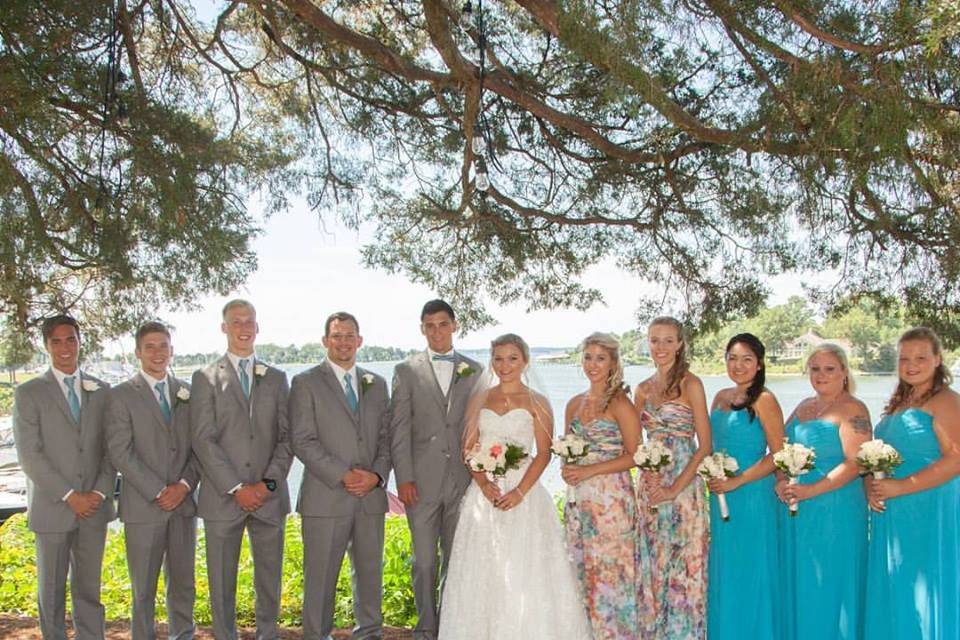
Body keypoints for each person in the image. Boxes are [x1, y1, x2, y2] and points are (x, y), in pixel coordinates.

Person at [438, 334, 591, 640]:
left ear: (524, 361)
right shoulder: (480, 399)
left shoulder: (538, 402)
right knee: (484, 571)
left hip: (525, 494)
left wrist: (519, 491)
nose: (504, 365)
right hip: (485, 498)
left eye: (512, 358)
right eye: (498, 358)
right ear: (491, 361)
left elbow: (544, 453)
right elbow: (469, 450)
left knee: (525, 570)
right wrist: (484, 485)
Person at [190, 299, 293, 640]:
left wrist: (267, 485)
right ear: (224, 328)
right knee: (221, 580)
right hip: (223, 499)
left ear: (258, 327)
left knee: (269, 577)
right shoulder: (204, 378)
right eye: (236, 322)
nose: (244, 327)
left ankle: (268, 634)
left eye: (249, 321)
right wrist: (237, 487)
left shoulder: (277, 378)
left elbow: (286, 437)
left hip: (268, 499)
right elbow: (203, 440)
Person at [12, 314, 117, 640]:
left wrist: (98, 494)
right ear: (47, 346)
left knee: (89, 591)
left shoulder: (102, 391)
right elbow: (30, 455)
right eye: (56, 341)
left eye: (70, 339)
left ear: (79, 341)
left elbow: (110, 451)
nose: (64, 347)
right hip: (53, 508)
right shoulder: (29, 393)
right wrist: (71, 496)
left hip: (93, 509)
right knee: (52, 592)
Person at [290, 312, 392, 640]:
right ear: (325, 341)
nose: (344, 342)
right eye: (337, 336)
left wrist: (376, 475)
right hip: (326, 496)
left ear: (360, 341)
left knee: (370, 576)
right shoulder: (305, 382)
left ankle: (369, 634)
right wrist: (343, 475)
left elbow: (387, 438)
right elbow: (302, 440)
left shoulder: (377, 384)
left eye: (350, 335)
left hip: (370, 498)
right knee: (320, 578)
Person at [389, 300, 482, 640]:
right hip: (421, 484)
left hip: (463, 482)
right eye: (430, 325)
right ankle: (426, 627)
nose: (437, 331)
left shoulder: (474, 370)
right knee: (424, 561)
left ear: (454, 326)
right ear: (422, 329)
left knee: (457, 560)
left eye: (443, 324)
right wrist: (404, 478)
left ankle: (451, 627)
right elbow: (398, 430)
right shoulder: (406, 371)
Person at [864, 327, 960, 640]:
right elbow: (875, 456)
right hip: (892, 510)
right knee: (897, 584)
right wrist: (870, 485)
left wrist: (900, 487)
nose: (911, 364)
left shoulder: (946, 401)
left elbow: (956, 459)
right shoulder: (900, 401)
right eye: (904, 358)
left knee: (923, 585)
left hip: (928, 507)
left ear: (937, 360)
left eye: (920, 357)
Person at [106, 321, 199, 640]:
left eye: (163, 346)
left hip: (183, 505)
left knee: (184, 584)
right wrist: (159, 491)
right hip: (144, 507)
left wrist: (184, 486)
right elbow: (120, 452)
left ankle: (182, 635)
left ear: (172, 350)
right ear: (138, 352)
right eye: (150, 346)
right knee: (143, 589)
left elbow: (201, 446)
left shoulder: (188, 393)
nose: (158, 353)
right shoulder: (120, 396)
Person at [778, 344, 871, 640]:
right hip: (798, 509)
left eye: (829, 369)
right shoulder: (804, 406)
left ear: (844, 372)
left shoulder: (853, 409)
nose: (821, 375)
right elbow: (780, 449)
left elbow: (856, 462)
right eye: (815, 369)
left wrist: (810, 491)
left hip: (835, 507)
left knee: (831, 581)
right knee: (804, 580)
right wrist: (781, 480)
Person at [633, 317, 710, 639]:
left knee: (684, 569)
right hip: (650, 488)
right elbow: (635, 445)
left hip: (684, 486)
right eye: (654, 340)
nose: (660, 347)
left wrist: (674, 489)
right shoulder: (641, 390)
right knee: (654, 569)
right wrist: (649, 478)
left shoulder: (691, 384)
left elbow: (705, 446)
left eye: (668, 340)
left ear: (679, 344)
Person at [562, 332, 640, 640]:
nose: (593, 364)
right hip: (580, 502)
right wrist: (568, 470)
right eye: (588, 357)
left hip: (612, 502)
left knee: (612, 575)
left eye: (600, 358)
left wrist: (592, 469)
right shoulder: (572, 404)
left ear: (613, 364)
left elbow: (636, 455)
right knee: (583, 574)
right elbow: (567, 448)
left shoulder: (620, 403)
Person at [706, 333, 783, 640]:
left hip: (752, 494)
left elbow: (778, 455)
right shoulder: (720, 397)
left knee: (752, 568)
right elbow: (710, 445)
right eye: (732, 358)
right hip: (721, 492)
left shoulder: (764, 399)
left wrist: (738, 480)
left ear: (760, 364)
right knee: (727, 568)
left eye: (747, 359)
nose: (738, 366)